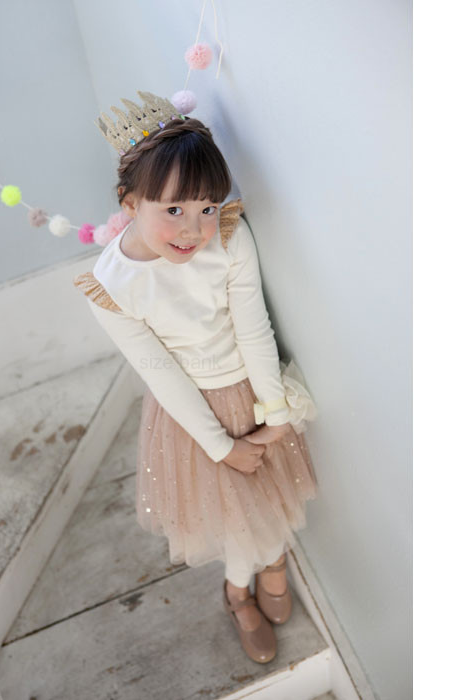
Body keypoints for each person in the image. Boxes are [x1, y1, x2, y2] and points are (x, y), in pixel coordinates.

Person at [73, 92, 318, 664]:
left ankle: (273, 567)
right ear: (129, 202)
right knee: (234, 515)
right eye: (174, 210)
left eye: (207, 207)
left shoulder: (228, 239)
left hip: (251, 390)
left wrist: (275, 413)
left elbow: (253, 326)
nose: (194, 228)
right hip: (192, 413)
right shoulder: (111, 286)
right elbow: (158, 370)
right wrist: (220, 446)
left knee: (272, 502)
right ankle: (238, 592)